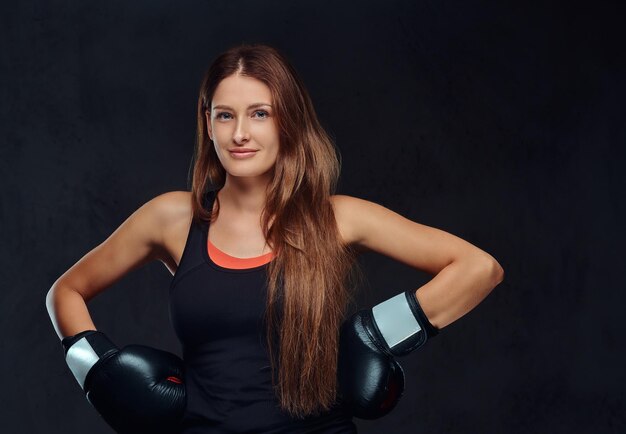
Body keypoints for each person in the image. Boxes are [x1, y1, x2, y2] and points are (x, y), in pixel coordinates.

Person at [46, 43, 504, 433]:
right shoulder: (173, 217)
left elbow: (478, 268)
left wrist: (378, 335)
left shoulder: (337, 218)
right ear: (208, 124)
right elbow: (65, 292)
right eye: (225, 115)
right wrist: (98, 371)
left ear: (286, 122)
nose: (240, 133)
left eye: (259, 114)